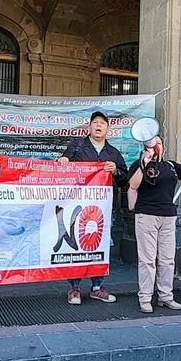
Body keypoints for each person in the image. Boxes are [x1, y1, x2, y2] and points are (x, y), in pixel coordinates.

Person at [58, 111, 128, 305]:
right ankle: (74, 287)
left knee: (100, 244)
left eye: (102, 123)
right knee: (76, 243)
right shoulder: (77, 146)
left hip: (103, 209)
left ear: (107, 129)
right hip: (77, 205)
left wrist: (116, 171)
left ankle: (98, 286)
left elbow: (125, 179)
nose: (98, 126)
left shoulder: (113, 153)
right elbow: (63, 166)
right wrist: (63, 161)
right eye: (95, 122)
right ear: (89, 127)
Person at [127, 135, 181, 313]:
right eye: (153, 143)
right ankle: (145, 297)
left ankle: (165, 296)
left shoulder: (171, 166)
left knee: (167, 260)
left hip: (168, 215)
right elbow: (133, 184)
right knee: (147, 260)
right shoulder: (139, 165)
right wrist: (145, 162)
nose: (157, 145)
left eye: (159, 142)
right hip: (147, 215)